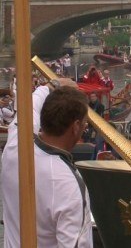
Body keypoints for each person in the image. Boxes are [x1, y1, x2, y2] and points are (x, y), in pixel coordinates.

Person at [2, 79, 93, 247]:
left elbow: (30, 107)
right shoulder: (69, 184)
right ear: (76, 126)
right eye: (85, 123)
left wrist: (51, 86)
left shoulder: (16, 147)